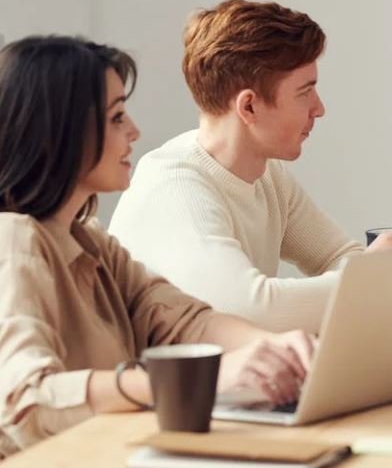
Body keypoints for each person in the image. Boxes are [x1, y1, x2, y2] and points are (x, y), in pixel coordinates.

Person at [0, 36, 314, 458]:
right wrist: (198, 379)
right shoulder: (12, 240)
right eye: (115, 118)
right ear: (57, 133)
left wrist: (274, 351)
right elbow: (26, 399)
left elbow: (182, 320)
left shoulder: (91, 242)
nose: (134, 130)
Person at [110, 0, 392, 333]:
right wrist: (368, 277)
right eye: (305, 92)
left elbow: (337, 256)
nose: (320, 108)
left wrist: (376, 271)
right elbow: (250, 310)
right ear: (249, 106)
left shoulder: (268, 174)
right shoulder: (174, 186)